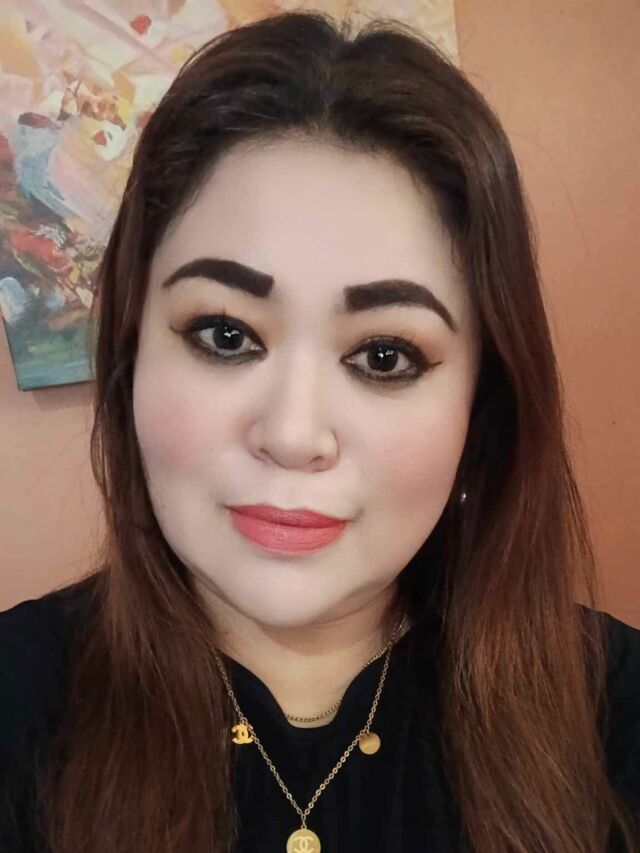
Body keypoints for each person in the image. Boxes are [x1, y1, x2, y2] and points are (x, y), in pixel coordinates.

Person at [1, 10, 638, 853]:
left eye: (384, 355)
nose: (294, 434)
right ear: (131, 355)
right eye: (226, 334)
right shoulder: (19, 699)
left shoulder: (614, 711)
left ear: (482, 406)